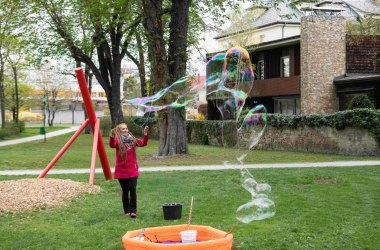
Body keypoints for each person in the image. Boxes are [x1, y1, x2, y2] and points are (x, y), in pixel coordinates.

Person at [109, 123, 149, 218]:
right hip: (121, 170)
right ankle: (127, 211)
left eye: (126, 128)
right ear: (119, 131)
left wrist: (145, 134)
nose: (126, 130)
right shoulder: (117, 140)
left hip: (132, 169)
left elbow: (143, 143)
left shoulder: (132, 139)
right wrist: (112, 136)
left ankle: (133, 211)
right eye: (123, 129)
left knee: (132, 188)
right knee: (125, 191)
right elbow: (112, 145)